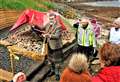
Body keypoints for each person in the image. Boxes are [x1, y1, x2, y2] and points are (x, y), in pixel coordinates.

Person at [42, 12, 63, 81]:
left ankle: (57, 73)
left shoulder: (59, 26)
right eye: (50, 19)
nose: (51, 20)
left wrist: (48, 35)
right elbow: (42, 28)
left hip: (56, 47)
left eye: (52, 18)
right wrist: (34, 25)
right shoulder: (48, 24)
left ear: (55, 18)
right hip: (49, 45)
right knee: (50, 60)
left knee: (57, 61)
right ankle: (52, 71)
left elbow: (57, 36)